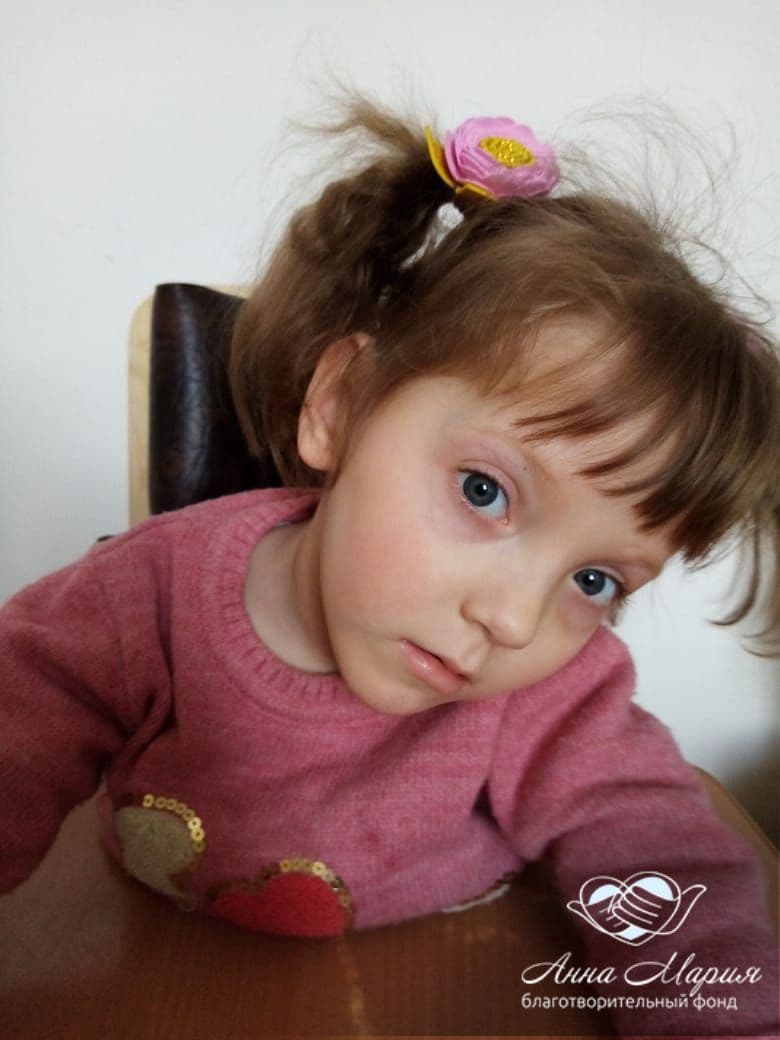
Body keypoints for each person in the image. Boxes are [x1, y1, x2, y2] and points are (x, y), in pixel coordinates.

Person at [1, 98, 778, 1037]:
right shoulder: (146, 596)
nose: (515, 621)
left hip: (453, 961)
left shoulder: (554, 685)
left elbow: (657, 853)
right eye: (486, 492)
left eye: (595, 582)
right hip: (160, 958)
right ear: (341, 405)